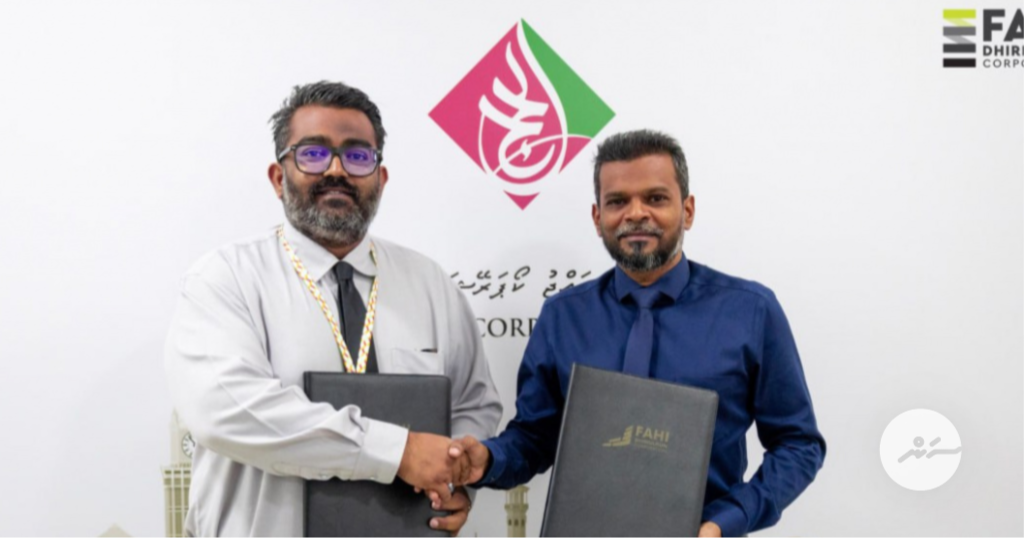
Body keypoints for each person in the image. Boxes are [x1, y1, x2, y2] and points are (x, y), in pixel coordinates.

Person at [164, 81, 501, 537]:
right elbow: (225, 409)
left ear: (380, 179)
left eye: (358, 155)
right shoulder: (227, 278)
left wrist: (456, 477)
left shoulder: (430, 285)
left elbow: (473, 404)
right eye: (313, 153)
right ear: (279, 177)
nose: (337, 170)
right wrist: (397, 452)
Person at [449, 130, 826, 538]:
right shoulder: (562, 316)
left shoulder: (750, 311)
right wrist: (488, 460)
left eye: (656, 198)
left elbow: (798, 444)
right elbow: (534, 438)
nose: (636, 214)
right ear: (597, 218)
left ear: (688, 210)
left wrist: (727, 521)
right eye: (617, 202)